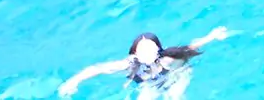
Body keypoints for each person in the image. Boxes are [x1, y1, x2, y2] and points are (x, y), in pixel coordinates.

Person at [58, 27, 229, 97]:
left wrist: (213, 35)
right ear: (135, 53)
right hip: (151, 84)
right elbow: (97, 69)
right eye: (142, 51)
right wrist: (73, 81)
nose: (146, 54)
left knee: (174, 97)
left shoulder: (169, 59)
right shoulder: (130, 64)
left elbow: (191, 47)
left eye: (150, 50)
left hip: (176, 76)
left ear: (158, 50)